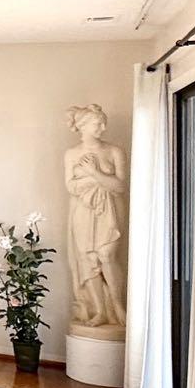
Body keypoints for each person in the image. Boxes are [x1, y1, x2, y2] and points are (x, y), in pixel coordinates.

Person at [63, 103, 127, 329]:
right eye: (96, 123)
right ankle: (99, 310)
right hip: (82, 211)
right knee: (87, 259)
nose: (102, 126)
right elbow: (71, 187)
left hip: (108, 210)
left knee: (107, 254)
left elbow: (119, 186)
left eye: (103, 122)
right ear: (82, 126)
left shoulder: (114, 151)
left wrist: (92, 173)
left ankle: (118, 305)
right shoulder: (72, 154)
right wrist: (98, 180)